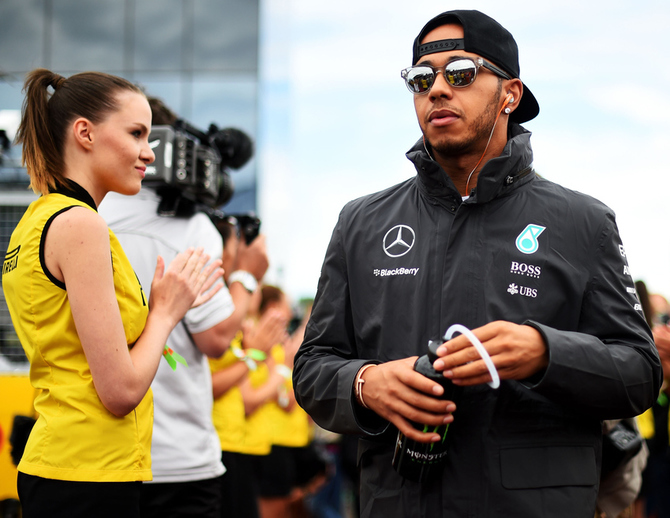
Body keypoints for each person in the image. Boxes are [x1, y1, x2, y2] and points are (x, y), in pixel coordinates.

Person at [292, 10, 662, 518]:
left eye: (461, 72)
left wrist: (544, 351)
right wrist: (365, 384)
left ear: (510, 94)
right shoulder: (361, 222)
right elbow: (312, 368)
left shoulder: (584, 221)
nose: (437, 89)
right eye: (421, 79)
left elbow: (641, 372)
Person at [1, 69, 222, 518]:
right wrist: (165, 312)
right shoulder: (82, 225)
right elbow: (120, 391)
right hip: (87, 473)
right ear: (85, 133)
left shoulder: (40, 218)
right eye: (136, 133)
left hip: (68, 463)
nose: (148, 152)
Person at [98, 97, 269, 518]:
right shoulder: (192, 229)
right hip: (176, 460)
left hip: (92, 457)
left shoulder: (80, 211)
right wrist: (246, 276)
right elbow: (215, 338)